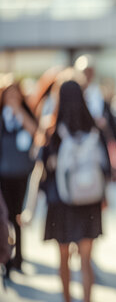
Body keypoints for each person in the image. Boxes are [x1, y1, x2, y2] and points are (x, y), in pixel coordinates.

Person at [21, 79, 110, 302]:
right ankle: (88, 299)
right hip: (89, 199)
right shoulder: (94, 128)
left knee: (63, 258)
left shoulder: (52, 131)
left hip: (60, 200)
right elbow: (105, 167)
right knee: (86, 259)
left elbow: (39, 169)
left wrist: (30, 208)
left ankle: (67, 298)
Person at [0, 76, 37, 276]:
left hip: (22, 173)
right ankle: (6, 257)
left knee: (18, 216)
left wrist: (19, 112)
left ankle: (19, 257)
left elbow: (35, 133)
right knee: (4, 217)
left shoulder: (24, 114)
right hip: (3, 174)